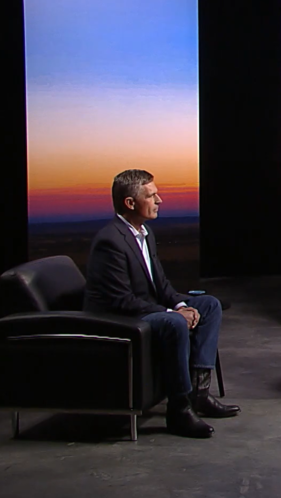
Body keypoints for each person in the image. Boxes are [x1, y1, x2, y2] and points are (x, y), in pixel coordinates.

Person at [84, 169, 239, 439]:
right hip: (118, 319)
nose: (160, 200)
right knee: (174, 322)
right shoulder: (110, 241)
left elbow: (162, 286)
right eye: (152, 195)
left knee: (209, 305)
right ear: (130, 203)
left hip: (143, 309)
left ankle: (199, 394)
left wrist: (181, 305)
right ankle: (178, 411)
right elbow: (121, 300)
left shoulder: (144, 233)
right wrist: (173, 313)